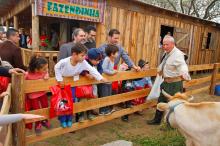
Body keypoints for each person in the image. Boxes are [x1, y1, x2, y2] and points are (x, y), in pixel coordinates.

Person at [54, 43, 107, 123]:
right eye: (82, 55)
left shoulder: (83, 62)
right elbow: (56, 67)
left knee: (72, 101)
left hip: (73, 84)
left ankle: (69, 119)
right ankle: (63, 120)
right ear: (74, 54)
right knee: (63, 102)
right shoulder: (64, 62)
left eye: (85, 55)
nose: (84, 57)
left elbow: (92, 70)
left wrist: (101, 78)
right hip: (63, 85)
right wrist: (59, 79)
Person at [147, 35, 191, 125]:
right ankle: (157, 120)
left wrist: (184, 73)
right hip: (165, 82)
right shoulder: (167, 53)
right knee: (160, 101)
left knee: (174, 104)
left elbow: (182, 65)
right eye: (163, 44)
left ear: (173, 44)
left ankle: (172, 123)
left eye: (167, 45)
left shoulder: (178, 54)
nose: (165, 47)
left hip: (175, 84)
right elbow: (164, 63)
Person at [25, 55, 51, 134]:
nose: (46, 70)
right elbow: (23, 82)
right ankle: (38, 124)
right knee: (37, 110)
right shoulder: (28, 75)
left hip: (42, 94)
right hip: (33, 97)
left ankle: (44, 120)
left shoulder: (43, 72)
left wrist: (46, 75)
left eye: (47, 68)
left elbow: (47, 74)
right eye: (44, 69)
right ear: (36, 70)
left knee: (45, 107)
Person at [78, 48, 103, 121]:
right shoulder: (84, 62)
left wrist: (98, 75)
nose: (98, 62)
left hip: (93, 84)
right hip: (84, 85)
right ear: (90, 58)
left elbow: (101, 70)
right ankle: (81, 115)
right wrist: (86, 74)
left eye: (99, 60)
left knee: (91, 98)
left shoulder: (99, 63)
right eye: (96, 60)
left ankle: (89, 113)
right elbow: (80, 70)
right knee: (83, 99)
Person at [99, 44, 119, 115]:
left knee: (108, 95)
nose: (118, 54)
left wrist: (113, 71)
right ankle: (102, 111)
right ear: (112, 54)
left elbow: (110, 69)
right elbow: (104, 69)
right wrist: (113, 72)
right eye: (116, 52)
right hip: (104, 81)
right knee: (104, 95)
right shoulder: (107, 59)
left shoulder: (113, 59)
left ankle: (107, 110)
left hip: (109, 81)